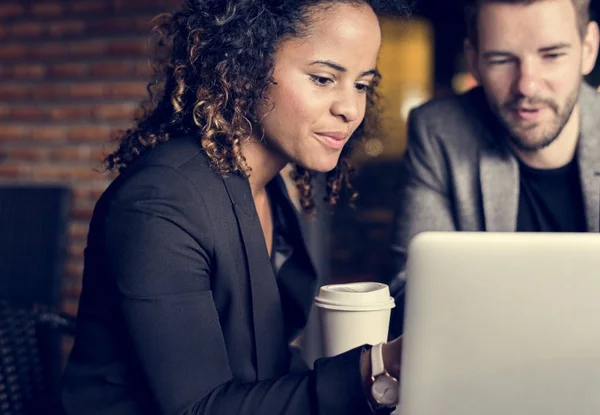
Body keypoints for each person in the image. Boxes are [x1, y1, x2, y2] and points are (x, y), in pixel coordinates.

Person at [60, 0, 409, 414]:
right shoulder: (161, 201)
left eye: (362, 84)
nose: (350, 109)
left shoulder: (268, 191)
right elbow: (198, 408)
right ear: (246, 67)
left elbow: (268, 375)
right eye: (323, 78)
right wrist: (378, 369)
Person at [387, 0, 600, 336]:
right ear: (474, 61)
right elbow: (410, 295)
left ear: (588, 49)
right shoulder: (440, 131)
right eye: (501, 60)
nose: (527, 86)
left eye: (552, 55)